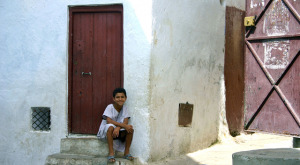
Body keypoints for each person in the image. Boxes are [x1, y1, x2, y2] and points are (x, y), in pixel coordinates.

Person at [97, 88, 134, 163]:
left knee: (130, 129)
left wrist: (118, 128)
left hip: (117, 130)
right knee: (110, 127)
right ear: (113, 99)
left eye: (122, 97)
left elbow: (125, 121)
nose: (120, 99)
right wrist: (119, 127)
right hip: (107, 130)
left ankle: (126, 153)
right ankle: (111, 153)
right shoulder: (110, 107)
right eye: (117, 97)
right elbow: (109, 121)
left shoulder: (125, 108)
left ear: (125, 98)